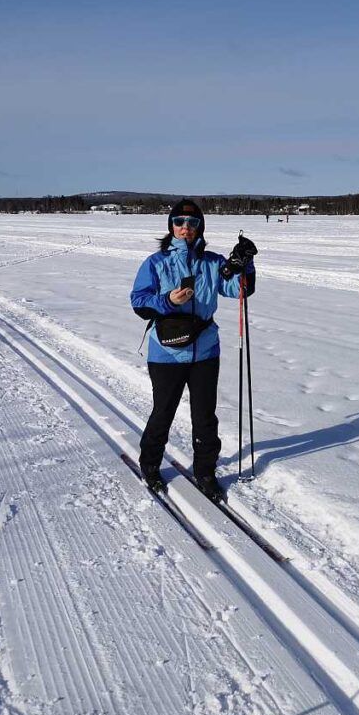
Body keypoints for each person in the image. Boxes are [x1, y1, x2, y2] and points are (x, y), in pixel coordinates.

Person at [130, 199, 256, 502]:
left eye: (192, 223)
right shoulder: (156, 262)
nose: (185, 227)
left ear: (200, 227)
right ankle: (150, 465)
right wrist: (168, 301)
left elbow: (239, 289)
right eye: (179, 222)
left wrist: (245, 263)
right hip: (166, 352)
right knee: (163, 412)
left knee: (205, 416)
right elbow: (139, 302)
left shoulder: (212, 262)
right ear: (171, 226)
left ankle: (205, 471)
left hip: (205, 351)